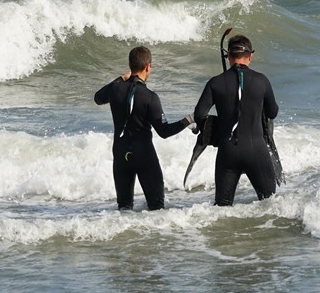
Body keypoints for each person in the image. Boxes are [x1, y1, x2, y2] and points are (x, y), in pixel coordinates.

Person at [94, 46, 192, 211]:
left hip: (120, 155)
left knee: (124, 209)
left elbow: (98, 98)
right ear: (147, 66)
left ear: (130, 65)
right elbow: (164, 131)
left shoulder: (115, 89)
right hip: (144, 156)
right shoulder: (150, 97)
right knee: (157, 209)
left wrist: (119, 79)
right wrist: (188, 120)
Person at [193, 34, 280, 206]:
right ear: (250, 56)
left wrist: (215, 129)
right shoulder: (261, 81)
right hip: (256, 150)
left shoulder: (215, 82)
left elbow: (199, 114)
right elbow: (273, 112)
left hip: (227, 152)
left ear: (228, 56)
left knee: (222, 209)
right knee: (271, 205)